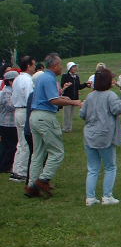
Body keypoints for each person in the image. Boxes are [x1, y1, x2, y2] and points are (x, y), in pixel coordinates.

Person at [25, 53, 83, 198]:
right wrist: (73, 102)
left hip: (35, 116)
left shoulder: (42, 77)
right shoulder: (50, 78)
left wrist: (63, 97)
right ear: (55, 66)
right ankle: (43, 180)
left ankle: (32, 186)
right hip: (46, 117)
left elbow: (45, 97)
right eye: (60, 65)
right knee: (57, 152)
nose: (62, 67)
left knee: (38, 153)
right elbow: (53, 101)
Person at [80, 69, 121, 206]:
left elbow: (82, 114)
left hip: (89, 135)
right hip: (105, 136)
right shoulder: (110, 96)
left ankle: (90, 198)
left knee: (92, 168)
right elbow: (119, 109)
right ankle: (107, 196)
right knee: (110, 167)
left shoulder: (90, 96)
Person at [10, 55, 36, 182]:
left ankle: (16, 169)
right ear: (28, 66)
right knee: (26, 142)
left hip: (17, 110)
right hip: (25, 110)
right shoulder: (28, 80)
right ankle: (21, 172)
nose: (35, 67)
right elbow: (30, 98)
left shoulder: (17, 79)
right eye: (34, 65)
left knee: (20, 142)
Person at [60, 61, 88, 132]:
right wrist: (66, 85)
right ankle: (66, 128)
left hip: (75, 98)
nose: (75, 68)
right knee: (67, 113)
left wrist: (86, 84)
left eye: (75, 67)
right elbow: (62, 85)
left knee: (71, 114)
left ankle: (69, 127)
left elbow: (78, 87)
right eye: (73, 67)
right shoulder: (65, 76)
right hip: (67, 98)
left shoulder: (77, 77)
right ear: (70, 68)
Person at [0, 71, 19, 173]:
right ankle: (5, 166)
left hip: (9, 123)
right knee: (11, 146)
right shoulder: (7, 92)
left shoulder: (10, 90)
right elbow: (9, 106)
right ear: (11, 81)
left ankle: (4, 165)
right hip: (8, 123)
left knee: (6, 145)